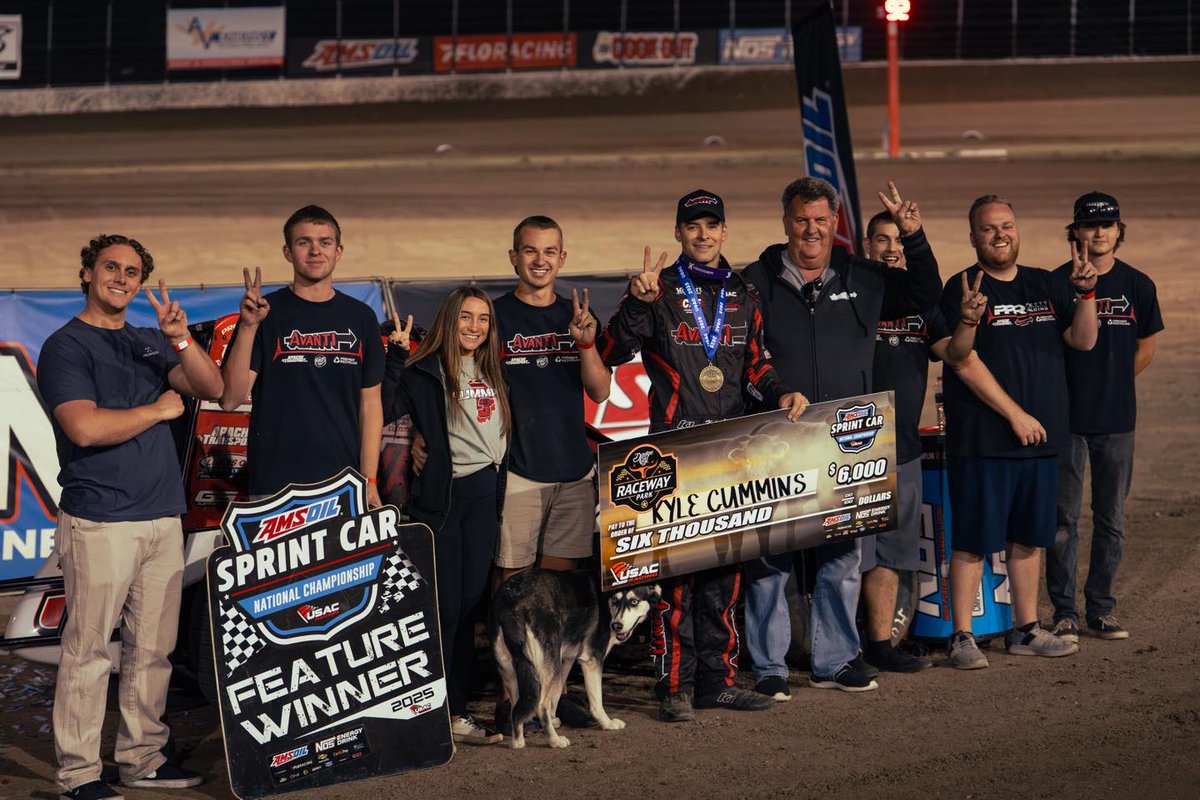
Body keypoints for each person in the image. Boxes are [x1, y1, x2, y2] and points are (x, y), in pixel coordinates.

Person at [597, 189, 808, 722]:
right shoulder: (659, 291)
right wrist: (636, 303)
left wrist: (781, 390)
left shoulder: (744, 294)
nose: (704, 234)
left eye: (712, 225)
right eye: (693, 226)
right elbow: (612, 352)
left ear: (725, 232)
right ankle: (673, 687)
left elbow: (755, 366)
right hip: (673, 458)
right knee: (676, 582)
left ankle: (717, 681)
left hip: (732, 458)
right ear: (679, 233)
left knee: (724, 579)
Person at [39, 235, 223, 800]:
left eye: (133, 271)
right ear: (88, 273)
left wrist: (180, 340)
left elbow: (215, 388)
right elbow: (85, 428)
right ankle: (78, 775)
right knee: (89, 652)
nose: (122, 277)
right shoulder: (66, 346)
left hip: (162, 518)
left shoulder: (150, 342)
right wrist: (159, 410)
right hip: (100, 521)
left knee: (152, 652)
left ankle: (142, 759)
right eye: (111, 266)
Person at [740, 178, 941, 695]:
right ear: (786, 221)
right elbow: (741, 354)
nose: (812, 229)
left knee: (843, 555)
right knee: (770, 558)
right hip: (777, 436)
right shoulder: (754, 281)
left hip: (848, 439)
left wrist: (914, 237)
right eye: (802, 219)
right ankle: (769, 669)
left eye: (821, 220)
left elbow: (922, 294)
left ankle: (834, 661)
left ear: (835, 223)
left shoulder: (864, 276)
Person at [940, 195, 1098, 670]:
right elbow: (959, 356)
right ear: (974, 238)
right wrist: (969, 319)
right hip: (984, 439)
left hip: (1041, 438)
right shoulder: (962, 286)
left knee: (1028, 540)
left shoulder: (1046, 283)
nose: (999, 234)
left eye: (1006, 225)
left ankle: (1025, 629)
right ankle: (962, 636)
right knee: (972, 542)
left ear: (1017, 230)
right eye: (988, 228)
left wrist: (1087, 295)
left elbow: (1083, 340)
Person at [383, 286, 510, 745]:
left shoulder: (495, 371)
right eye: (465, 318)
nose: (474, 327)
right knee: (443, 611)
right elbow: (380, 408)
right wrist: (396, 356)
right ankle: (430, 711)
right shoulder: (424, 372)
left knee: (468, 607)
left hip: (484, 501)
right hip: (444, 502)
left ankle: (454, 711)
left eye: (483, 319)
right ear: (448, 321)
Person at [1047, 192, 1163, 642]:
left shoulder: (1138, 285)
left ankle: (1101, 608)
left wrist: (1113, 380)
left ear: (1119, 232)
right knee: (1064, 519)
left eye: (1107, 225)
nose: (1098, 232)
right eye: (1090, 225)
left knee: (1110, 518)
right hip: (1067, 419)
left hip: (1116, 420)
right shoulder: (1056, 283)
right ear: (1075, 232)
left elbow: (1147, 347)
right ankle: (1064, 611)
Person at [220, 205, 385, 505]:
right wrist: (247, 327)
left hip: (343, 485)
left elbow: (370, 406)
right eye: (303, 242)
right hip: (276, 486)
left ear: (339, 251)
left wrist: (369, 479)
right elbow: (230, 399)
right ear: (287, 252)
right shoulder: (263, 313)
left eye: (325, 242)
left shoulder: (361, 317)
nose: (315, 251)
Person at [493, 216, 610, 581]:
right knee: (512, 585)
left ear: (562, 258)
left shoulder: (577, 316)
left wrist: (586, 344)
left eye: (549, 251)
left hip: (574, 474)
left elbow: (601, 391)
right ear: (513, 256)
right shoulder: (492, 317)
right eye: (530, 250)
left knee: (558, 589)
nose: (540, 260)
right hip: (517, 473)